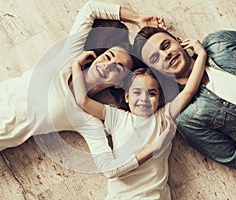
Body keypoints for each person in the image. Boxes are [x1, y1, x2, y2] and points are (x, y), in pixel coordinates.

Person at [0, 1, 170, 175]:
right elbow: (90, 9)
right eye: (108, 56)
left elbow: (109, 168)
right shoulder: (69, 55)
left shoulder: (87, 118)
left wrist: (152, 148)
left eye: (118, 68)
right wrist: (138, 18)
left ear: (118, 83)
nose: (107, 64)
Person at [71, 35, 206, 199]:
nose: (144, 99)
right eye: (137, 92)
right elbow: (83, 101)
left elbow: (189, 90)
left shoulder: (163, 116)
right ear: (127, 97)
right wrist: (76, 65)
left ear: (159, 98)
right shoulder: (116, 117)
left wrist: (201, 55)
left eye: (152, 93)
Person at [133, 27, 236, 172]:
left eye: (166, 45)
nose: (165, 55)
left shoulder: (219, 42)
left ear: (179, 41)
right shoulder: (187, 118)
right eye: (155, 58)